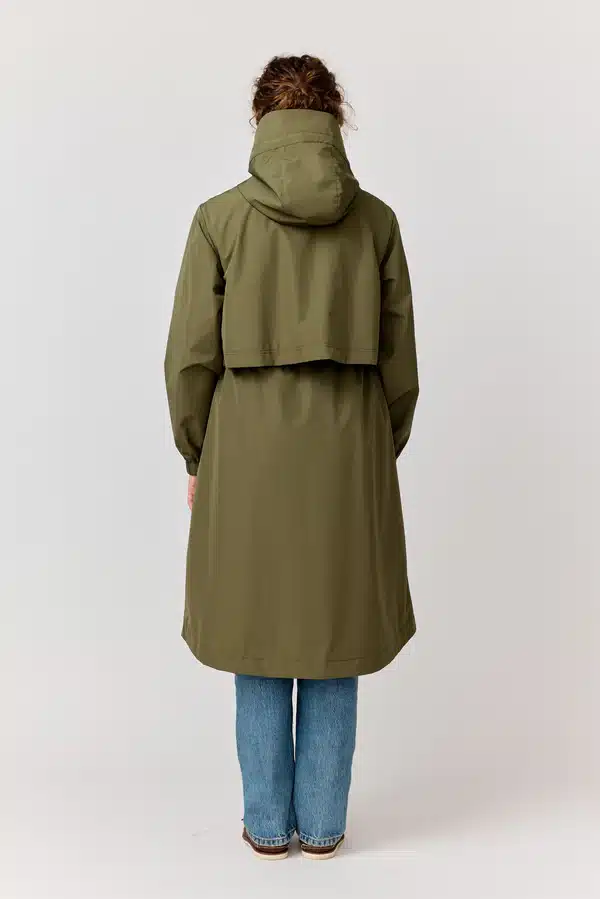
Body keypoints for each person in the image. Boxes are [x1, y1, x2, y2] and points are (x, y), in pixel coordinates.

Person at [164, 54, 419, 861]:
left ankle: (268, 826)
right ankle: (325, 825)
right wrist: (377, 449)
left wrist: (197, 454)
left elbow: (189, 359)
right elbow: (400, 365)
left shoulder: (219, 220)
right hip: (348, 453)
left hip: (245, 454)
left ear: (261, 120)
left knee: (259, 633)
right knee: (334, 633)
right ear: (335, 119)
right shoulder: (375, 222)